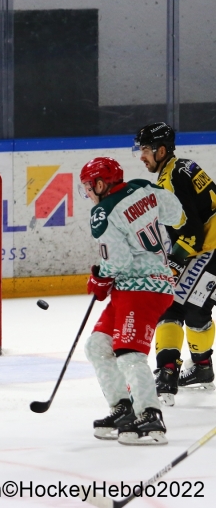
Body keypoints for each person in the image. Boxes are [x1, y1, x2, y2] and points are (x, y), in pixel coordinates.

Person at [80, 157, 183, 445]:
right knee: (98, 346)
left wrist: (100, 276)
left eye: (88, 187)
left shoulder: (103, 211)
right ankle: (123, 408)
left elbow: (119, 259)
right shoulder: (143, 188)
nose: (87, 193)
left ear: (101, 184)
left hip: (141, 289)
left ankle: (150, 416)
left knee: (128, 352)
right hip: (144, 286)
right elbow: (175, 214)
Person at [135, 122, 216, 405]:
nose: (141, 155)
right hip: (206, 247)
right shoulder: (180, 167)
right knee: (178, 307)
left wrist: (172, 266)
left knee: (187, 309)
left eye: (145, 149)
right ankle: (190, 369)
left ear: (160, 150)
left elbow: (192, 232)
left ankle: (180, 371)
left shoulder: (171, 180)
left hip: (210, 249)